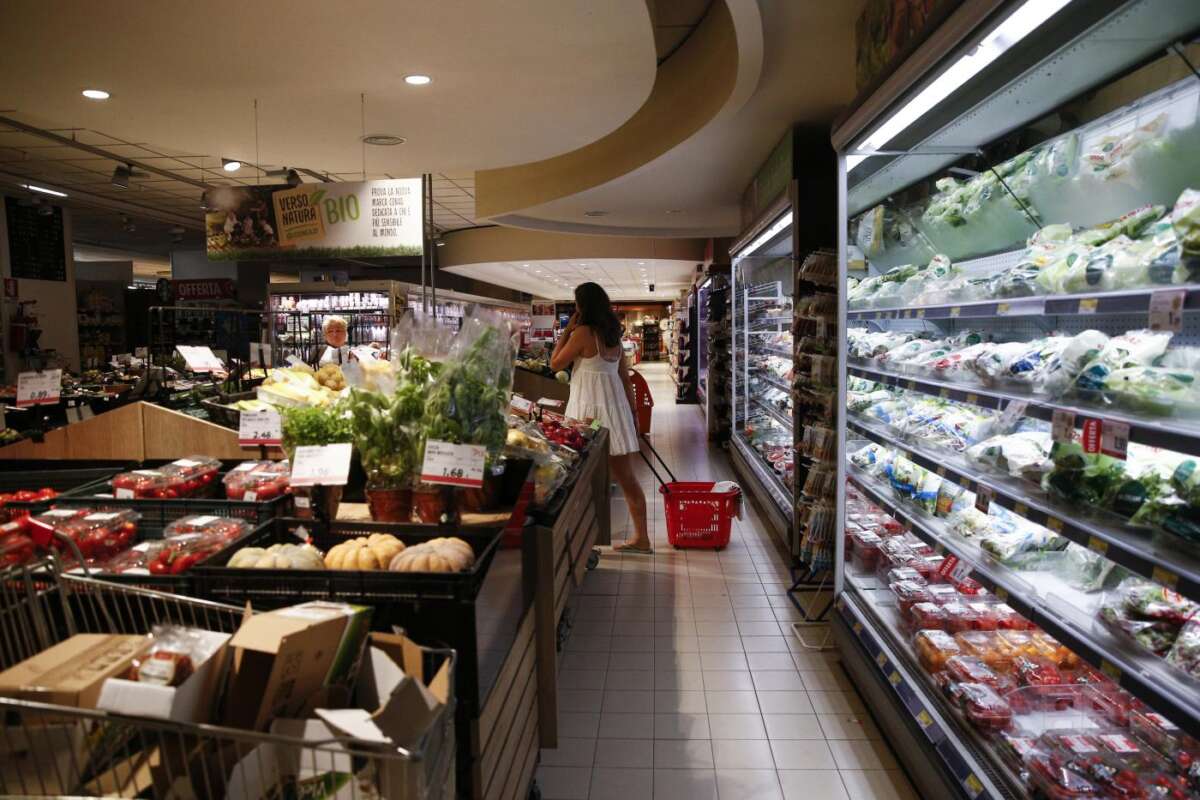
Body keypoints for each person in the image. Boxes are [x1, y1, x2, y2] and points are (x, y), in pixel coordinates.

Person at [550, 282, 649, 553]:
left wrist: (567, 331)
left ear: (582, 306)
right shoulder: (612, 334)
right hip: (615, 412)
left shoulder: (582, 333)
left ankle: (584, 542)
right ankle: (642, 538)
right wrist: (634, 415)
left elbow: (555, 363)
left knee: (581, 481)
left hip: (587, 415)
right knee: (627, 478)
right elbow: (625, 379)